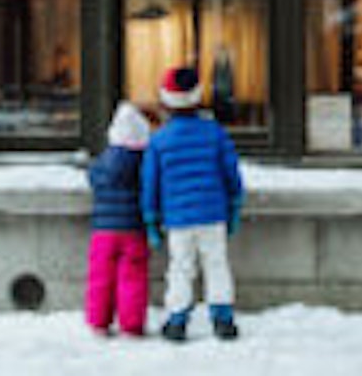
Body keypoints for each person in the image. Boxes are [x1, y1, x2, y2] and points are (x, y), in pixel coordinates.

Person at [141, 66, 244, 342]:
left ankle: (177, 319)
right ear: (198, 98)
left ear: (166, 102)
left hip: (178, 218)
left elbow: (150, 184)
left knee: (181, 267)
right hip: (213, 213)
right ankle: (222, 317)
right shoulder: (215, 133)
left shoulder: (159, 140)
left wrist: (151, 219)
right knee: (217, 264)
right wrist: (234, 206)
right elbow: (231, 174)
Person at [85, 101, 151, 337]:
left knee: (100, 277)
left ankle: (98, 322)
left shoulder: (101, 163)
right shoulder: (144, 164)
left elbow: (91, 178)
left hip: (103, 231)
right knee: (132, 279)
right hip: (133, 230)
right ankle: (131, 325)